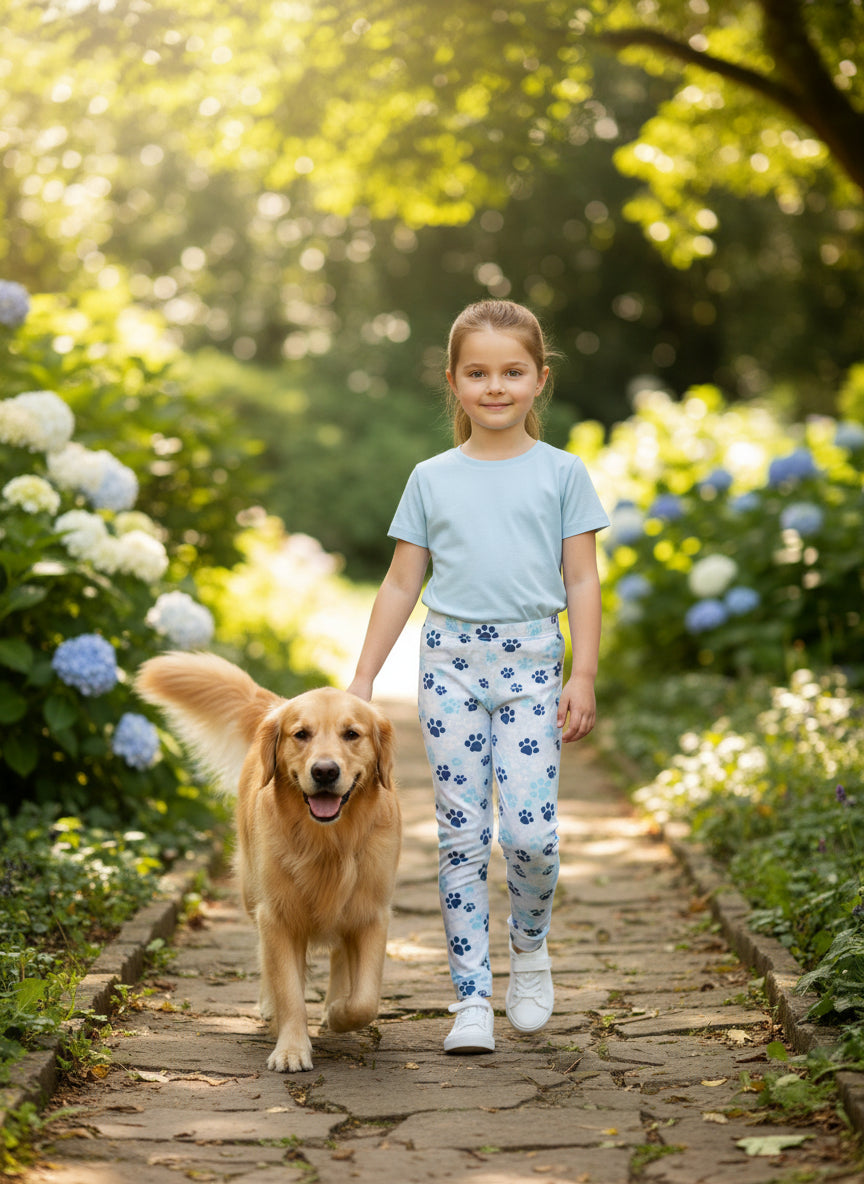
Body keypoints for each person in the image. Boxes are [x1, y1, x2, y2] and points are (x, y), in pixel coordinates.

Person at [347, 299, 609, 1054]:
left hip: (533, 662)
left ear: (539, 379)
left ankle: (528, 945)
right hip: (451, 665)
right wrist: (362, 679)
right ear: (455, 383)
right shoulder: (431, 478)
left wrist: (582, 672)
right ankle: (469, 1000)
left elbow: (583, 581)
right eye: (478, 373)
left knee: (531, 835)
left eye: (512, 372)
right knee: (462, 833)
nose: (496, 386)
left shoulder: (562, 474)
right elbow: (401, 584)